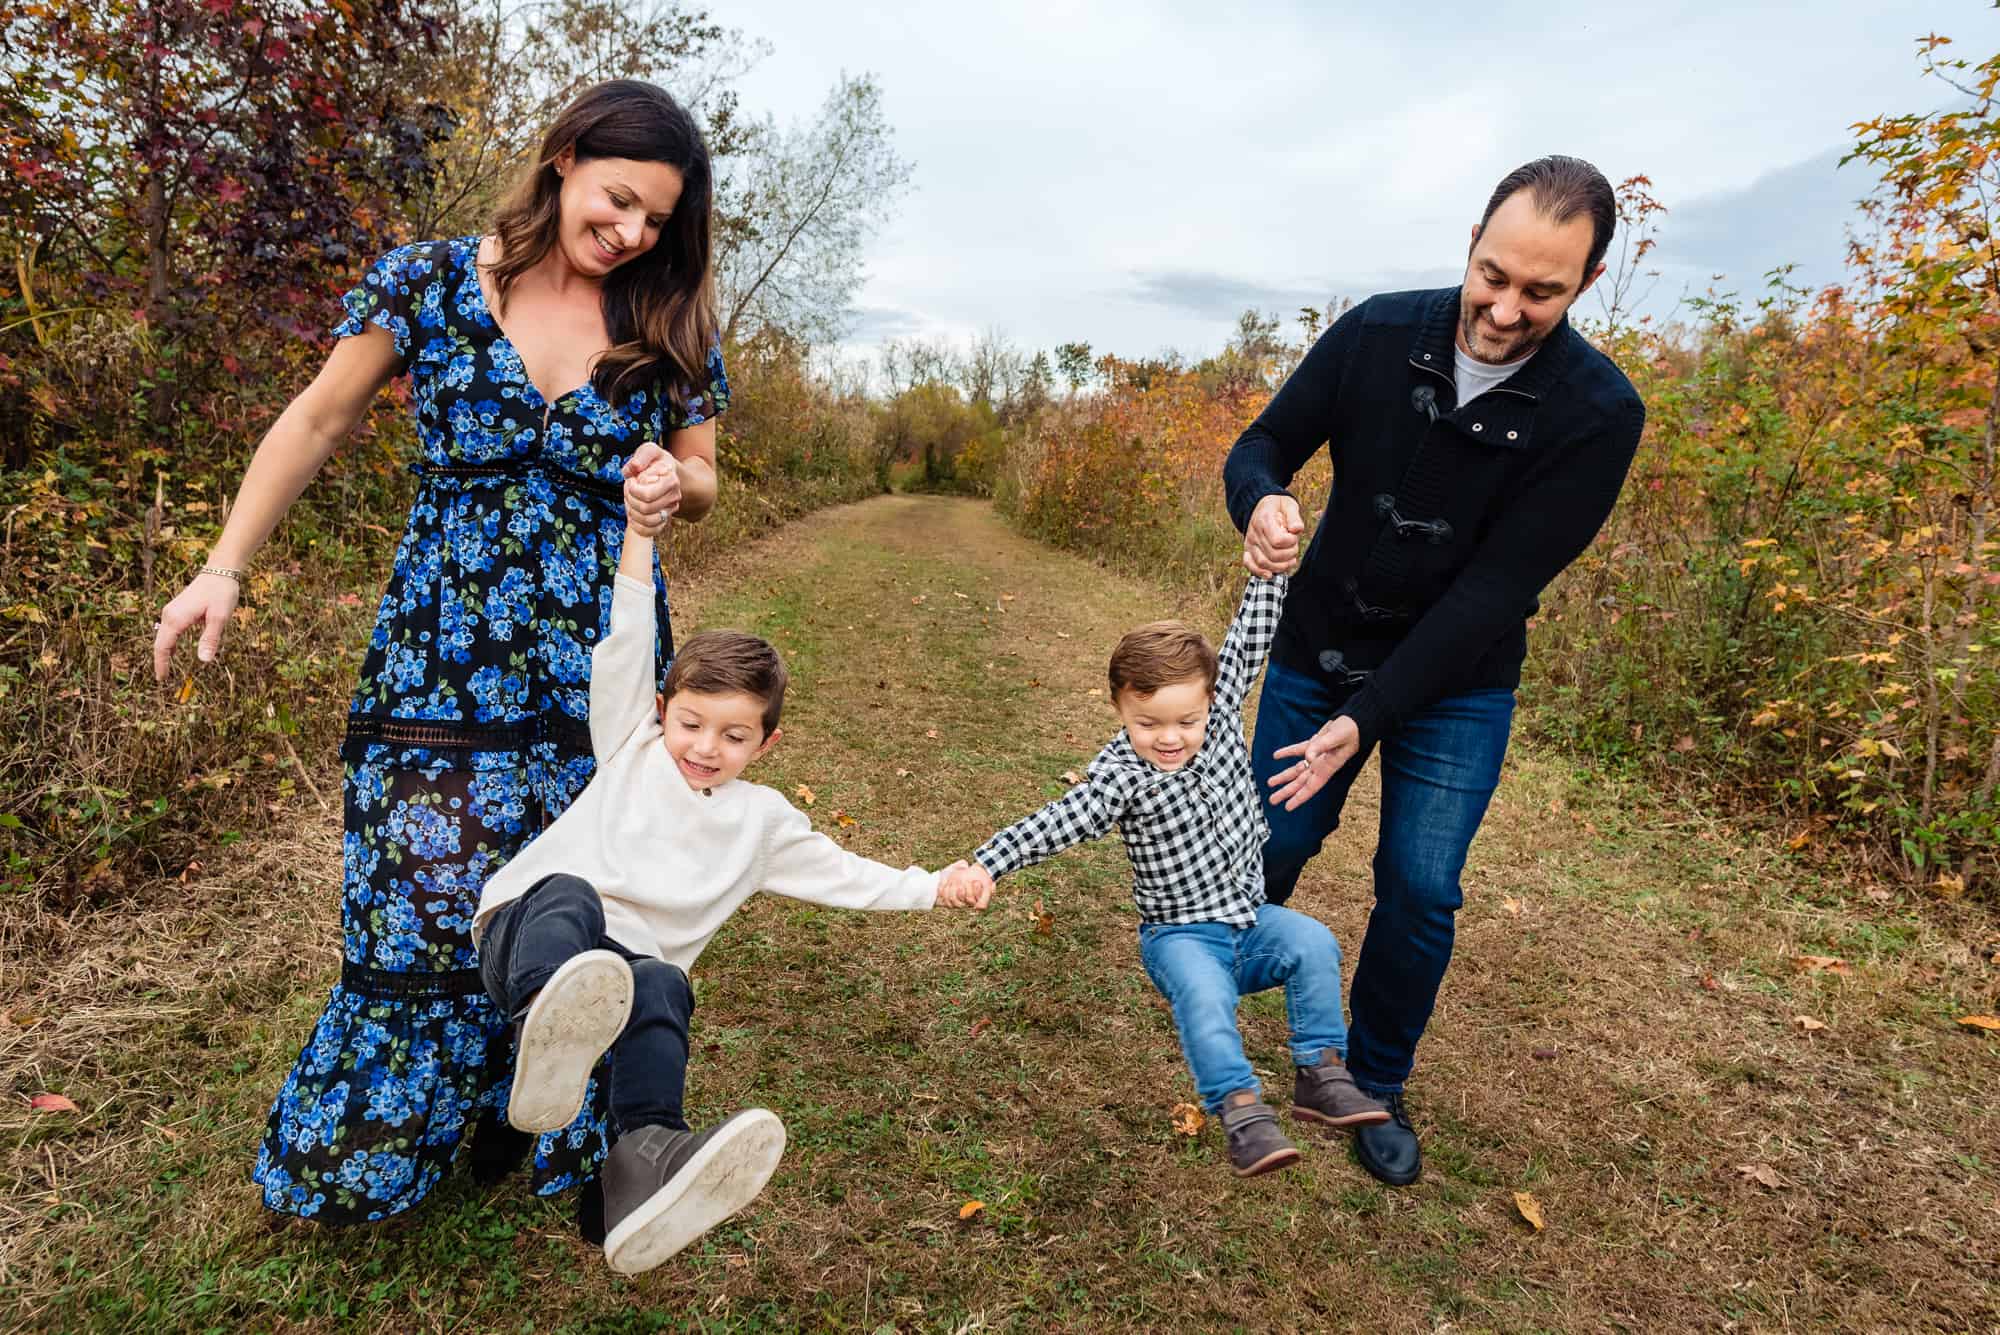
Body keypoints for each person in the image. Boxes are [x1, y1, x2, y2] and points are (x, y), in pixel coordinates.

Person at [151, 79, 730, 1222]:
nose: (631, 235)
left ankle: (592, 1147)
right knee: (418, 900)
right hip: (438, 659)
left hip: (598, 661)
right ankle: (402, 1138)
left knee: (580, 892)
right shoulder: (423, 281)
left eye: (657, 221)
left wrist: (676, 482)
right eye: (617, 202)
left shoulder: (664, 322)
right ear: (563, 158)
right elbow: (316, 419)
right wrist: (222, 568)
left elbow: (704, 473)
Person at [1224, 155, 1645, 1186]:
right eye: (1491, 275)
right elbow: (1265, 441)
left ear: (1584, 284)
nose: (1503, 309)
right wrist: (1262, 502)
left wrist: (1365, 719)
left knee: (1419, 886)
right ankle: (1216, 981)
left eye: (1540, 291)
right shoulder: (1374, 331)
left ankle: (1369, 1079)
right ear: (1470, 243)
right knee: (1269, 841)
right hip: (1316, 646)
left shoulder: (1597, 412)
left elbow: (1493, 592)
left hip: (1456, 679)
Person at [473, 445, 990, 1273]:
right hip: (525, 935)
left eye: (734, 735)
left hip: (619, 984)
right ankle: (547, 1021)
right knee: (570, 894)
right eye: (691, 724)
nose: (705, 748)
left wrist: (937, 885)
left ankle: (648, 1165)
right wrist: (642, 531)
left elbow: (850, 875)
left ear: (766, 742)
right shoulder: (630, 743)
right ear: (662, 710)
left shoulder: (763, 825)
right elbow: (629, 624)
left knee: (664, 981)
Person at [955, 574, 1388, 1178]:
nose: (1169, 738)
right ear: (1120, 708)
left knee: (1314, 941)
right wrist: (987, 863)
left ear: (1211, 699)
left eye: (1186, 721)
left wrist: (1270, 566)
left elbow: (1252, 633)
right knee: (1207, 997)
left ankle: (1321, 1073)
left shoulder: (1221, 705)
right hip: (1179, 936)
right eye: (1147, 723)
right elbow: (1060, 820)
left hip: (1249, 918)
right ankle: (1241, 1113)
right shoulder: (1119, 775)